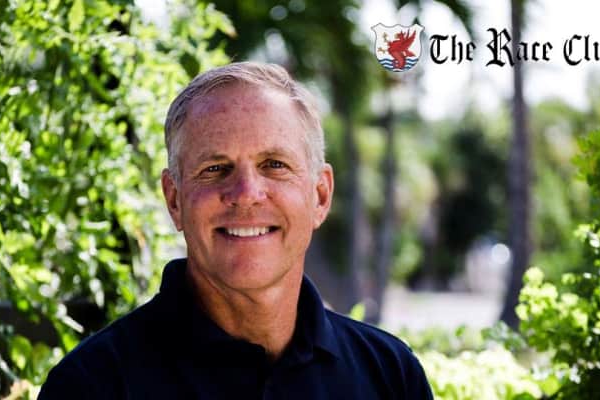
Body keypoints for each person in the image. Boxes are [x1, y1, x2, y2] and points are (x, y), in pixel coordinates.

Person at [38, 62, 433, 399]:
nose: (246, 194)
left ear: (320, 195)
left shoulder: (390, 377)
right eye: (215, 169)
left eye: (274, 165)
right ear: (174, 200)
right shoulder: (91, 385)